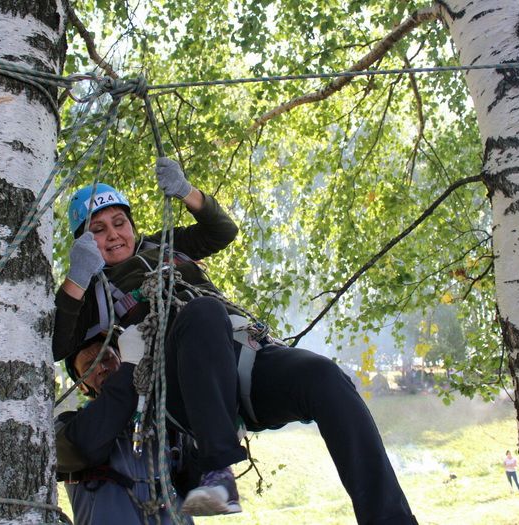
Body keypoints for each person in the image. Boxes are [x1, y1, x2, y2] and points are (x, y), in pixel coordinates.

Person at [53, 157, 416, 524]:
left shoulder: (164, 246)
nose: (114, 234)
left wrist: (185, 191)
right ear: (83, 241)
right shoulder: (93, 292)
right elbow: (56, 346)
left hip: (241, 353)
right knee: (202, 312)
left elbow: (221, 231)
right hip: (180, 384)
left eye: (120, 223)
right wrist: (77, 278)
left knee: (325, 378)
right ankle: (217, 468)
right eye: (98, 230)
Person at [55, 332, 196, 524]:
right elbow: (84, 446)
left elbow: (194, 486)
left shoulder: (166, 422)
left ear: (122, 358)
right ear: (82, 386)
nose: (102, 368)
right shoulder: (66, 427)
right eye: (89, 367)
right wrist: (131, 370)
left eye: (107, 358)